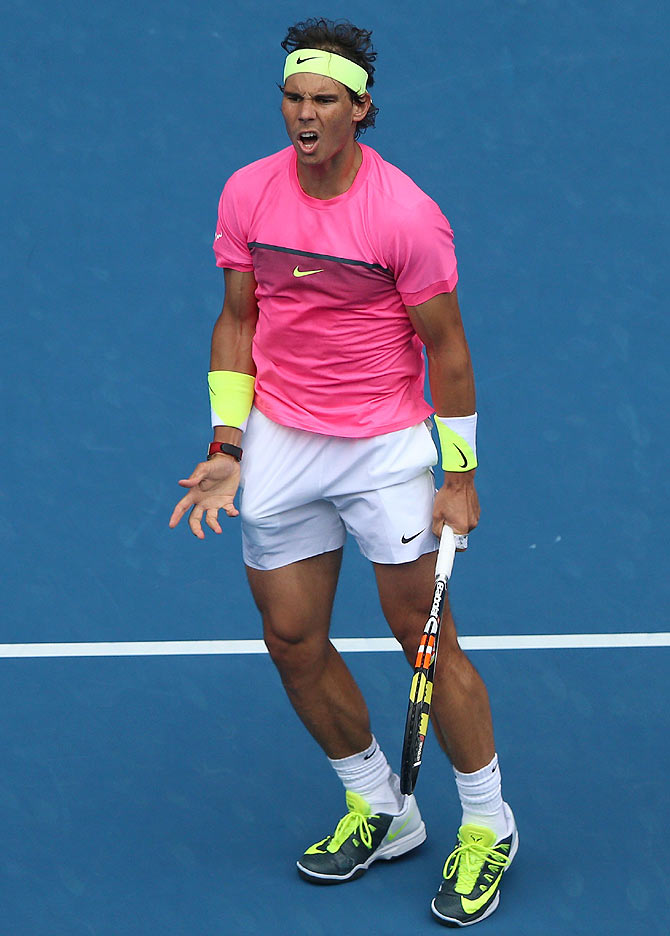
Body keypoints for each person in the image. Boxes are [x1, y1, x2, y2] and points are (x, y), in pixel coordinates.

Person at [169, 17, 517, 927]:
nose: (306, 115)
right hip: (283, 433)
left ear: (362, 108)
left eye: (325, 100)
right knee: (290, 638)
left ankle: (488, 824)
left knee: (423, 640)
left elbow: (447, 347)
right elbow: (238, 319)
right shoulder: (249, 192)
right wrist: (226, 443)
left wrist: (460, 471)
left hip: (386, 442)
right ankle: (380, 805)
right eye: (293, 97)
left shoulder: (404, 215)